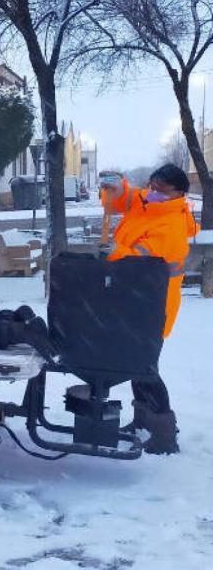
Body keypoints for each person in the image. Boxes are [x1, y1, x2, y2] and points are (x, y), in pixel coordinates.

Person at [100, 164, 199, 454]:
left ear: (178, 192)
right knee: (138, 362)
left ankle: (163, 433)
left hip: (154, 305)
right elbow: (127, 200)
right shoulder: (152, 204)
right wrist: (118, 188)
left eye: (160, 189)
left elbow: (140, 259)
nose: (152, 192)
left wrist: (114, 253)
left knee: (145, 366)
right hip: (137, 299)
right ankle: (143, 422)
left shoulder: (172, 225)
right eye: (152, 185)